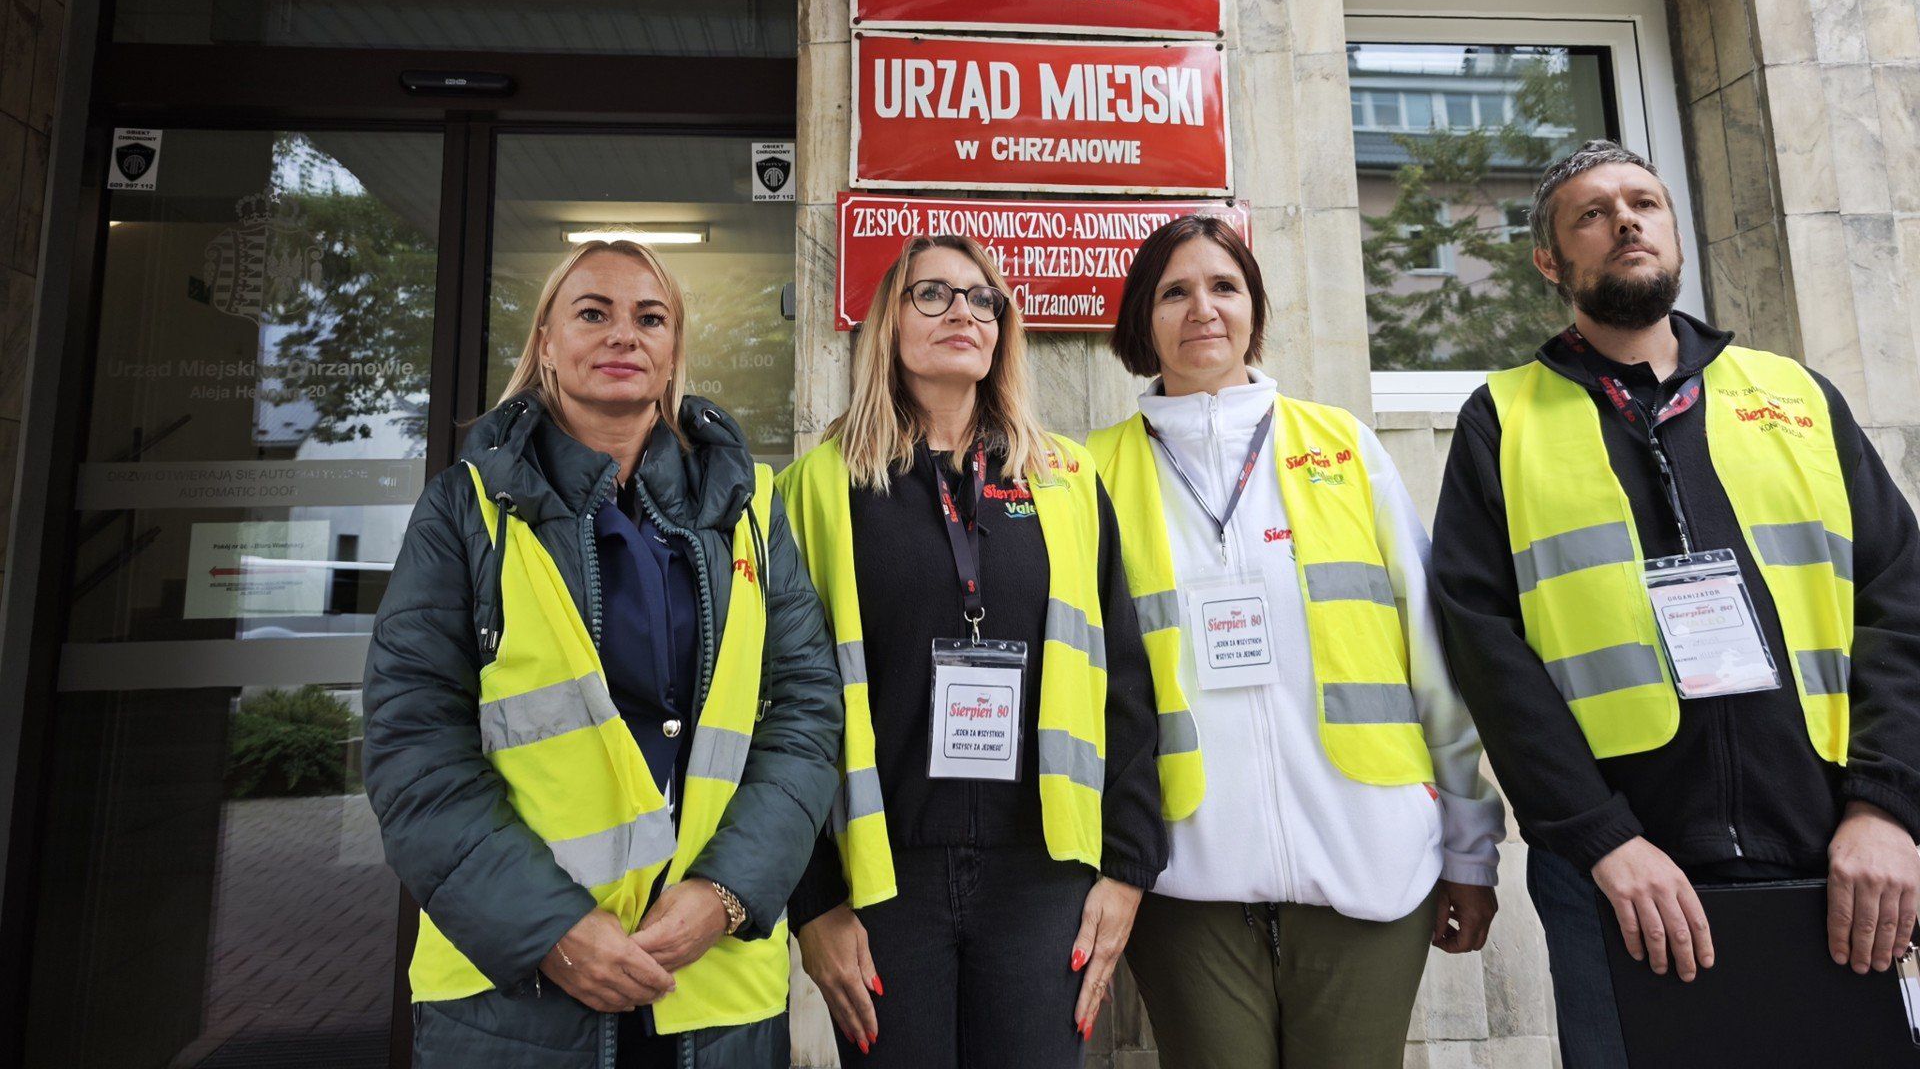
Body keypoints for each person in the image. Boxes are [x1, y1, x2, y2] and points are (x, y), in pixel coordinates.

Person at [1430, 139, 1920, 1067]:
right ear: (1550, 261)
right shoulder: (1503, 420)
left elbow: (1900, 604)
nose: (1625, 222)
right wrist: (1601, 838)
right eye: (1592, 213)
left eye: (1644, 204)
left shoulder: (1796, 398)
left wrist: (1887, 808)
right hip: (1620, 875)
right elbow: (1486, 650)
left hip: (1829, 857)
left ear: (1675, 234)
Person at [362, 240, 842, 1069]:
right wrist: (548, 928)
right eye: (593, 313)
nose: (624, 334)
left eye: (649, 318)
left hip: (712, 991)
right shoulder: (466, 510)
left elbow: (804, 717)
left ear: (673, 352)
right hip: (518, 1000)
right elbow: (415, 747)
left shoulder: (753, 509)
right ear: (546, 342)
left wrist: (726, 895)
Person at [1088, 214, 1505, 1069]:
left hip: (1370, 859)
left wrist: (1472, 844)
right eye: (1174, 291)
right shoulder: (1088, 474)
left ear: (1254, 309)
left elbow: (1432, 661)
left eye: (1224, 286)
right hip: (1182, 874)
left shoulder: (1344, 448)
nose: (1202, 308)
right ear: (1142, 320)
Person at [777, 234, 1167, 1068]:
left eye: (984, 298)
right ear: (888, 322)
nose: (964, 310)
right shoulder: (817, 488)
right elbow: (784, 702)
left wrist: (1127, 871)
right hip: (883, 881)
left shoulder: (1065, 478)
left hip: (1041, 874)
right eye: (934, 294)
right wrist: (812, 901)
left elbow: (1125, 682)